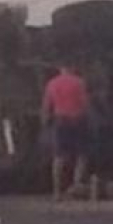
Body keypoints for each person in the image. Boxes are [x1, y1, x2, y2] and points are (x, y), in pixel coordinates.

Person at [41, 61, 91, 200]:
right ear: (73, 67)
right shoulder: (79, 82)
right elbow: (85, 103)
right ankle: (76, 187)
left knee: (59, 157)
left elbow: (46, 106)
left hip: (60, 121)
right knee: (81, 155)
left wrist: (45, 123)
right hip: (78, 120)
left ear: (60, 68)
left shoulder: (52, 83)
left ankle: (57, 192)